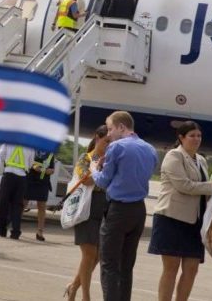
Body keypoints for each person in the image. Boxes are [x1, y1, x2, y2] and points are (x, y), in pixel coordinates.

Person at [150, 122, 212, 301]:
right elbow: (184, 186)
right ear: (181, 138)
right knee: (171, 268)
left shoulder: (201, 160)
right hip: (172, 219)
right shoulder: (174, 156)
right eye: (192, 135)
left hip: (195, 222)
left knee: (192, 269)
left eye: (199, 136)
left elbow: (205, 191)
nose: (196, 139)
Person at [92, 111, 158, 301]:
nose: (109, 134)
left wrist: (94, 169)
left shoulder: (116, 147)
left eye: (111, 128)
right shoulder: (150, 149)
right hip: (138, 211)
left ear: (122, 127)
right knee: (126, 266)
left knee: (109, 265)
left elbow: (103, 181)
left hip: (118, 210)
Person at [65, 126, 111, 301]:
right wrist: (101, 170)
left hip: (105, 209)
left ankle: (73, 286)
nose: (109, 145)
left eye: (111, 142)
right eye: (106, 141)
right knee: (89, 254)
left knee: (98, 255)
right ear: (97, 138)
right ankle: (86, 296)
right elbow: (87, 180)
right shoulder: (86, 157)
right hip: (86, 208)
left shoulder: (112, 159)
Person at [0, 144, 35, 239]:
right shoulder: (31, 144)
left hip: (9, 174)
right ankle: (15, 232)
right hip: (22, 177)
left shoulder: (8, 141)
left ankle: (0, 230)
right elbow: (31, 163)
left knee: (3, 203)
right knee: (17, 206)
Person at [25, 149, 56, 241]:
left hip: (43, 183)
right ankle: (16, 228)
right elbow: (31, 165)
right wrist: (41, 169)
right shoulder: (32, 150)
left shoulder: (50, 153)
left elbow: (52, 170)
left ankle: (40, 232)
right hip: (30, 180)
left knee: (42, 207)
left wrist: (42, 169)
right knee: (23, 203)